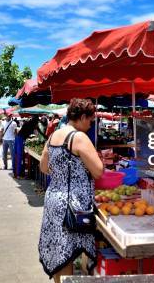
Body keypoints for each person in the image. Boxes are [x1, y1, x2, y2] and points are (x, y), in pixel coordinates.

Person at [39, 99, 103, 282]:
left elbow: (44, 167)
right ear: (82, 117)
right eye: (90, 120)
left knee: (59, 251)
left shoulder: (53, 136)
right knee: (67, 252)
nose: (91, 125)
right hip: (72, 204)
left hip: (53, 199)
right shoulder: (79, 137)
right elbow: (98, 171)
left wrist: (63, 173)